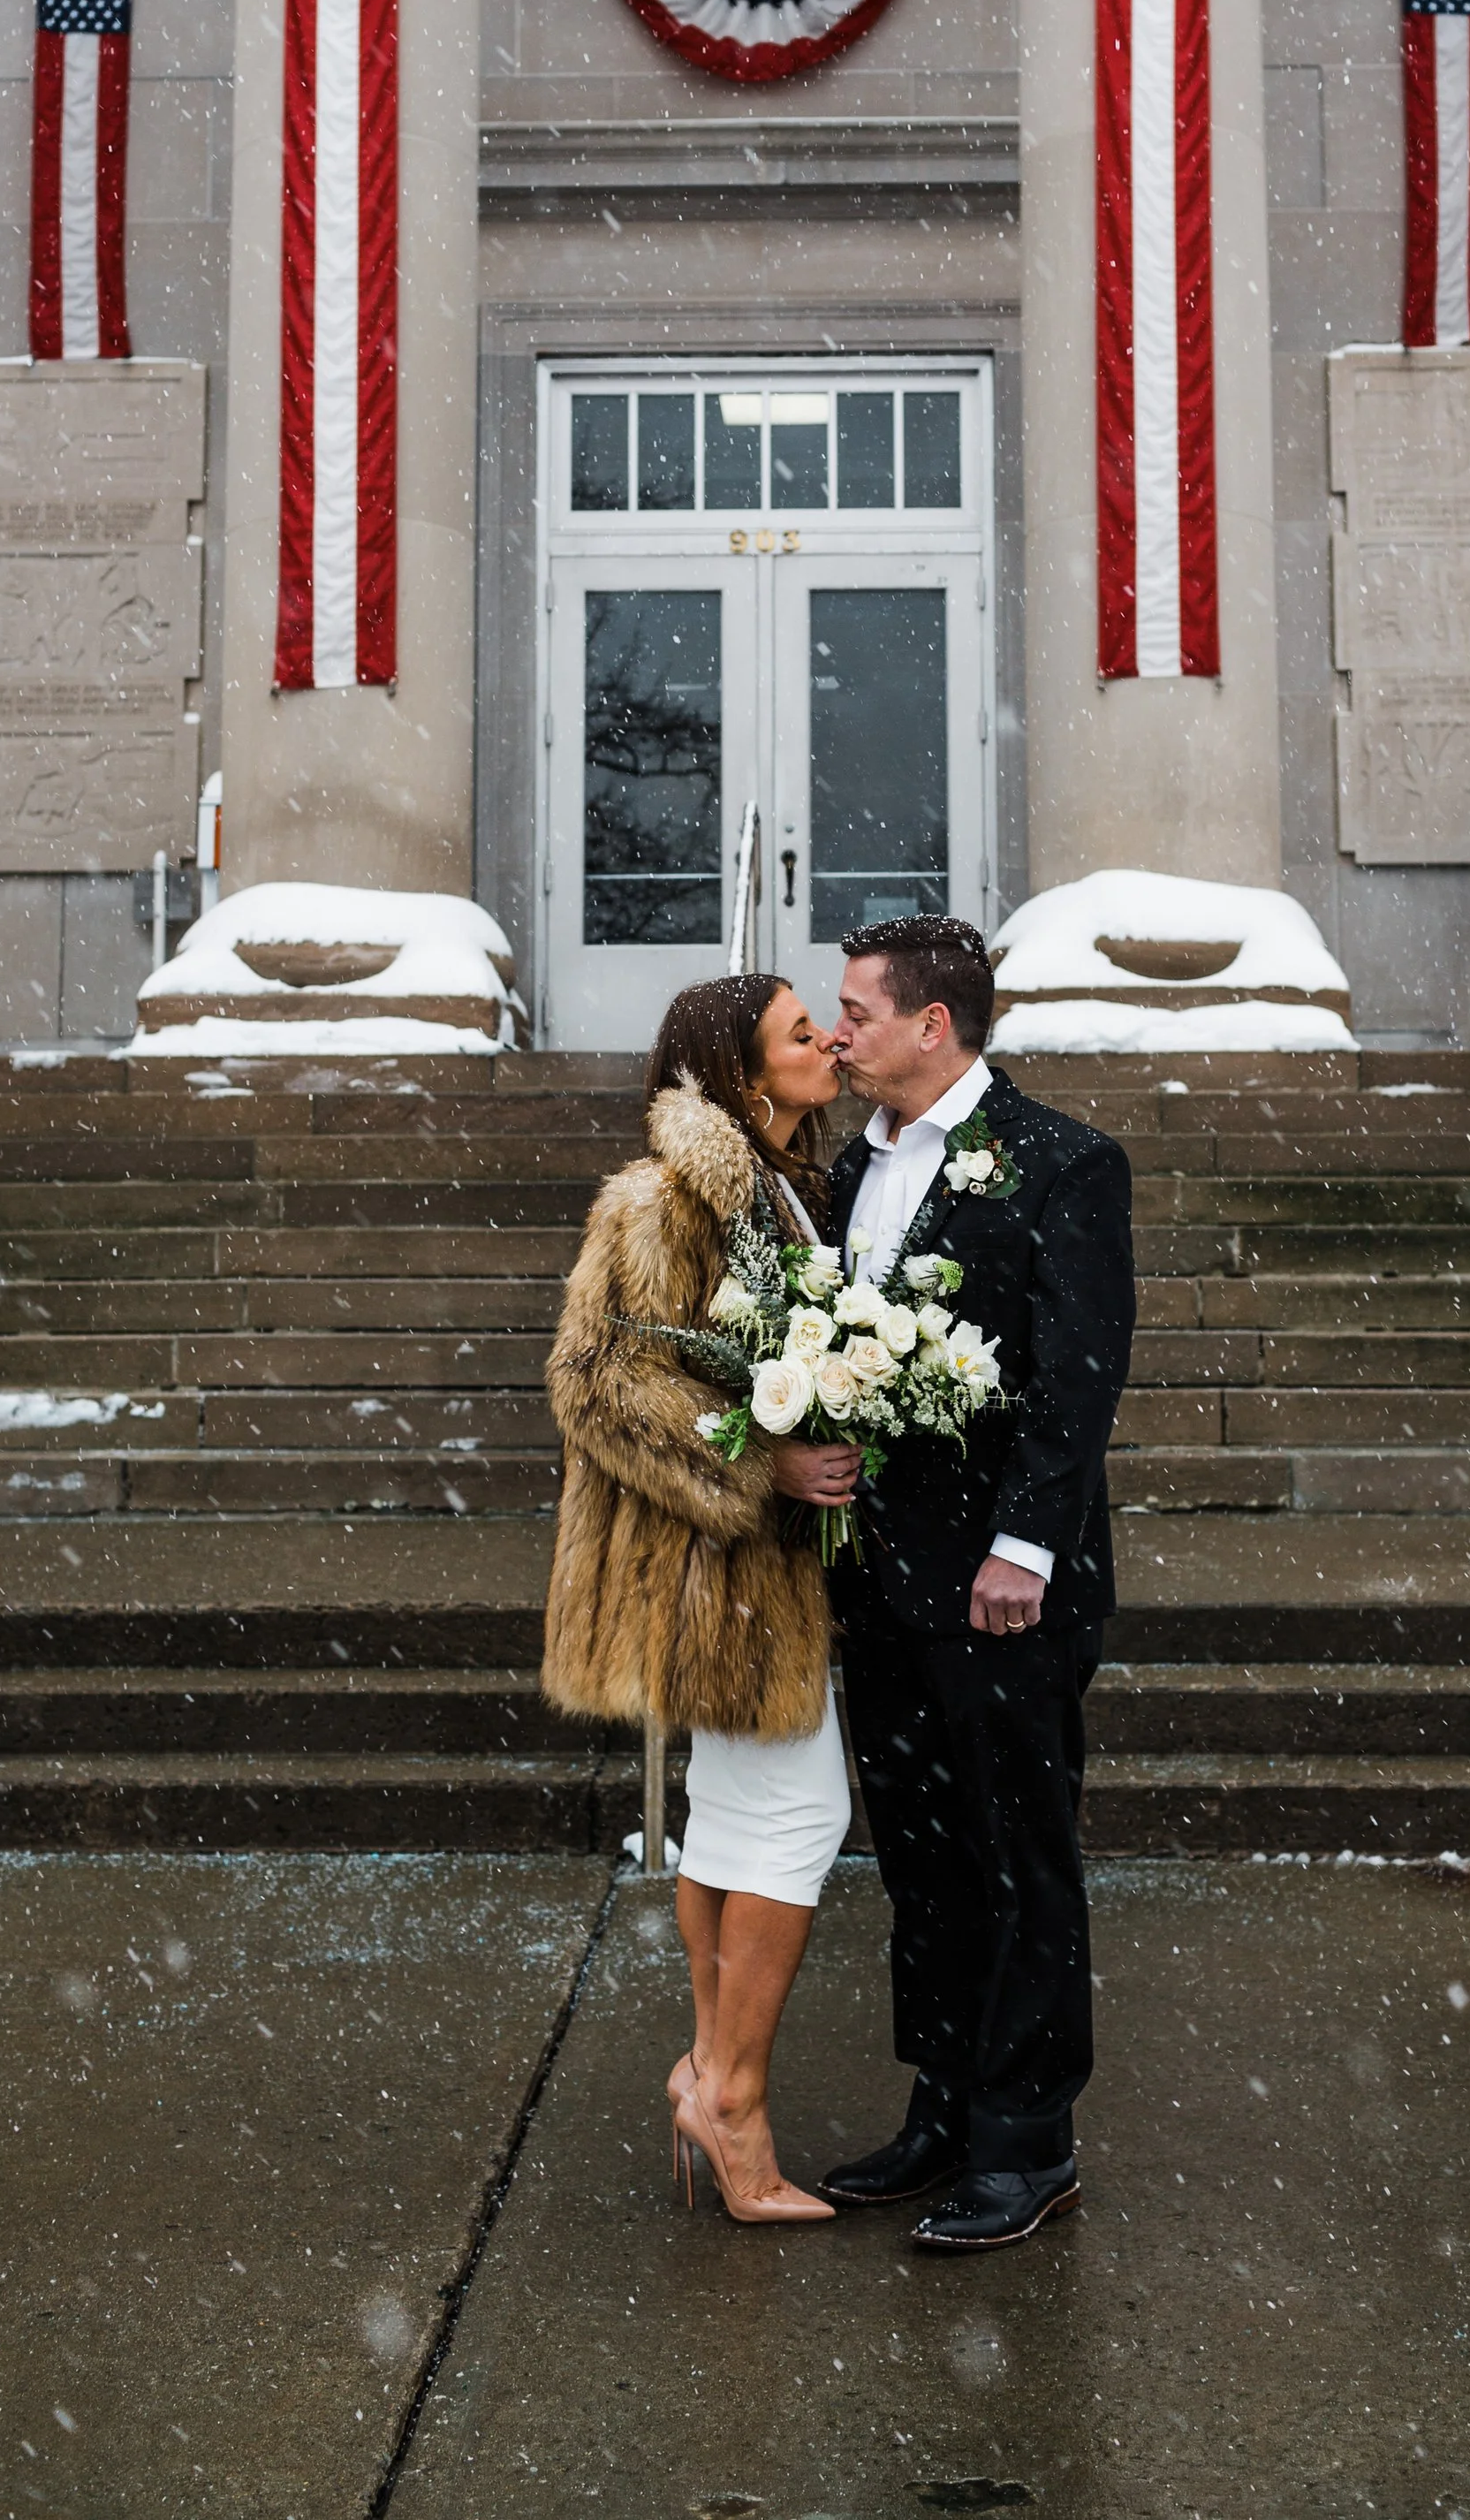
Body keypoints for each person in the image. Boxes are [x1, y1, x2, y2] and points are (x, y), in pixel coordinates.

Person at [815, 915, 1136, 2251]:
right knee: (923, 1857)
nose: (838, 1034)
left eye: (855, 1012)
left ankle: (1028, 2143)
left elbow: (1076, 1378)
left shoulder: (1060, 1164)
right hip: (880, 1583)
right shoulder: (849, 1171)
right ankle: (942, 2108)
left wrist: (1024, 1548)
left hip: (1002, 1585)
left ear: (929, 1026)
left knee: (1017, 1858)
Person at [542, 972, 860, 2224]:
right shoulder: (670, 1196)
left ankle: (706, 2070)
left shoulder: (782, 1185)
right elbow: (596, 1379)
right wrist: (761, 1459)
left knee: (730, 1819)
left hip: (749, 1568)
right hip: (704, 1568)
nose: (828, 1039)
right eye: (799, 1031)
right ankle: (731, 2100)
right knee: (803, 1813)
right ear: (739, 1068)